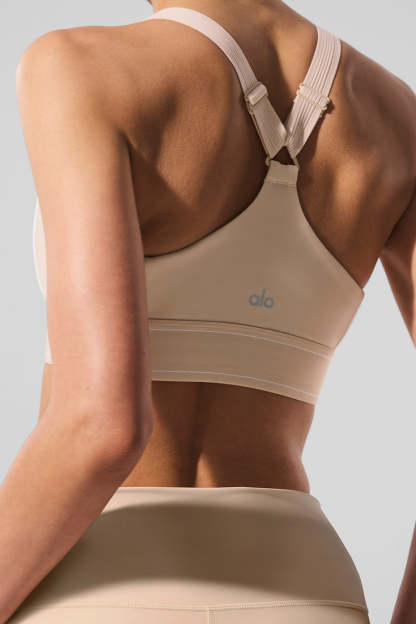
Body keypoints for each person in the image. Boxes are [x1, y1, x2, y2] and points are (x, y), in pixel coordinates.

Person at [3, 0, 415, 622]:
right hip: (306, 589)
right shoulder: (397, 114)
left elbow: (101, 427)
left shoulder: (81, 67)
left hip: (101, 586)